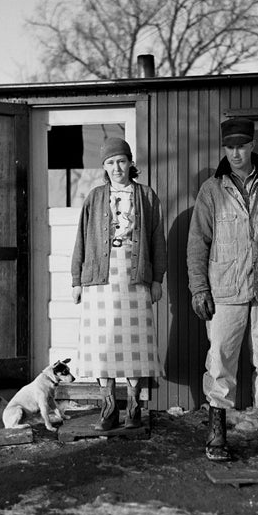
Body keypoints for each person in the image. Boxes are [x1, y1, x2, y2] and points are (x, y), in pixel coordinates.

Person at [187, 117, 258, 462]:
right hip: (225, 290)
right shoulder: (212, 190)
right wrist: (199, 289)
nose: (235, 153)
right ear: (224, 148)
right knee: (220, 359)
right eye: (229, 147)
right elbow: (197, 244)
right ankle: (217, 430)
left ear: (252, 145)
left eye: (241, 145)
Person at [71, 137, 167, 431]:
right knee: (103, 344)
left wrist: (156, 279)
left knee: (134, 344)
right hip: (99, 277)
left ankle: (134, 408)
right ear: (104, 166)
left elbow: (157, 241)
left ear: (130, 163)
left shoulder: (147, 196)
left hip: (134, 276)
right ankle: (109, 408)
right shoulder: (95, 196)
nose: (117, 168)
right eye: (110, 163)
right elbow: (82, 240)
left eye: (121, 161)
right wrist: (76, 280)